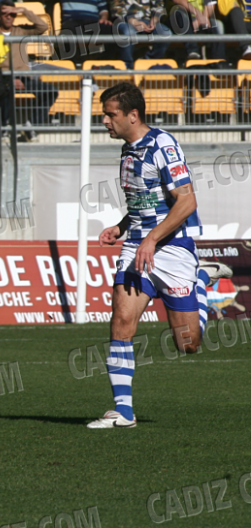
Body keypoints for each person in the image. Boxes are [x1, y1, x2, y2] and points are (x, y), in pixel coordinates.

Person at [88, 83, 231, 429]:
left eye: (111, 114)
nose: (104, 120)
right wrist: (122, 228)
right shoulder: (127, 150)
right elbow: (143, 202)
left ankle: (199, 280)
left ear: (132, 115)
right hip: (137, 246)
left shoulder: (162, 146)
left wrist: (152, 239)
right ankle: (123, 413)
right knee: (122, 320)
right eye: (104, 114)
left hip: (172, 248)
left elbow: (186, 201)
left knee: (187, 345)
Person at [0, 0, 58, 138]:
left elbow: (42, 26)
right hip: (3, 77)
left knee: (51, 91)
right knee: (5, 90)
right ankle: (4, 127)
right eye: (4, 13)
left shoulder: (21, 31)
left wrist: (24, 11)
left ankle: (31, 126)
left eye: (12, 14)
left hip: (24, 77)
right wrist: (9, 79)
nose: (8, 17)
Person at [111, 0, 171, 68]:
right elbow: (116, 10)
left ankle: (150, 64)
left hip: (147, 20)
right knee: (129, 33)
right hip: (124, 21)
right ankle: (127, 66)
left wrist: (155, 19)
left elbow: (160, 6)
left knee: (165, 33)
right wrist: (133, 21)